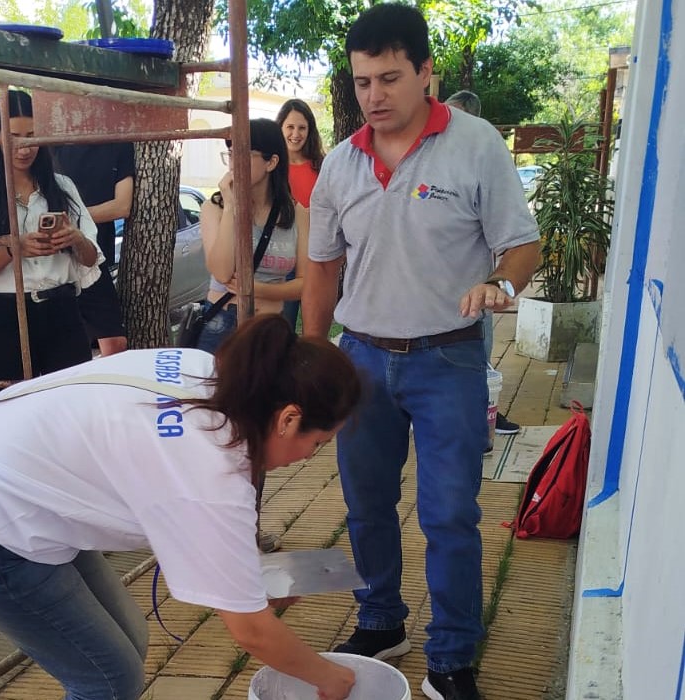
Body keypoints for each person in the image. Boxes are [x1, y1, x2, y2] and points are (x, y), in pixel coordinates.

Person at [0, 313, 361, 700]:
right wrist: (334, 680)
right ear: (287, 419)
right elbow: (252, 633)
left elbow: (197, 512)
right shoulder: (211, 473)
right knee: (107, 679)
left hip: (4, 485)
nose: (310, 457)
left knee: (128, 641)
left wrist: (246, 579)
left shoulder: (210, 372)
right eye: (318, 442)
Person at [301, 6, 541, 700]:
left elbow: (522, 244)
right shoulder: (341, 165)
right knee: (366, 505)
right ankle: (380, 622)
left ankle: (453, 659)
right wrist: (314, 357)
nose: (373, 96)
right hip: (363, 361)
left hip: (449, 360)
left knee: (448, 514)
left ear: (426, 73)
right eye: (362, 82)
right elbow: (321, 269)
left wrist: (501, 283)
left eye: (390, 78)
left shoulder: (475, 145)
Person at [0, 91, 102, 383]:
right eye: (14, 136)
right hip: (6, 314)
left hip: (62, 311)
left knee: (67, 408)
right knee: (15, 414)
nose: (24, 147)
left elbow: (92, 257)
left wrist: (75, 239)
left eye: (32, 136)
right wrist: (14, 247)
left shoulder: (62, 187)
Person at [444, 90, 520, 437]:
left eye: (456, 117)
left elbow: (518, 242)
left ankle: (484, 415)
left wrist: (500, 283)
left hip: (473, 294)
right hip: (429, 306)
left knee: (480, 353)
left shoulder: (484, 154)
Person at [198, 118, 309, 354]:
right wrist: (231, 208)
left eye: (243, 154)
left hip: (272, 327)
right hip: (223, 323)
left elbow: (304, 283)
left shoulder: (296, 213)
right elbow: (221, 271)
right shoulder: (214, 208)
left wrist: (255, 288)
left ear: (271, 162)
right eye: (230, 154)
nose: (233, 163)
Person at [54, 141, 133, 356]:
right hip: (54, 261)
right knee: (64, 348)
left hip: (94, 260)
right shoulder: (50, 142)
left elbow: (122, 206)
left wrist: (73, 221)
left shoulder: (120, 145)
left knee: (115, 343)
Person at [276, 99, 325, 330]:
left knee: (314, 327)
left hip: (318, 257)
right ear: (281, 128)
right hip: (283, 257)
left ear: (310, 130)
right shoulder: (270, 166)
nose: (296, 134)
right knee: (281, 324)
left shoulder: (322, 166)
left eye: (302, 127)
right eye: (290, 127)